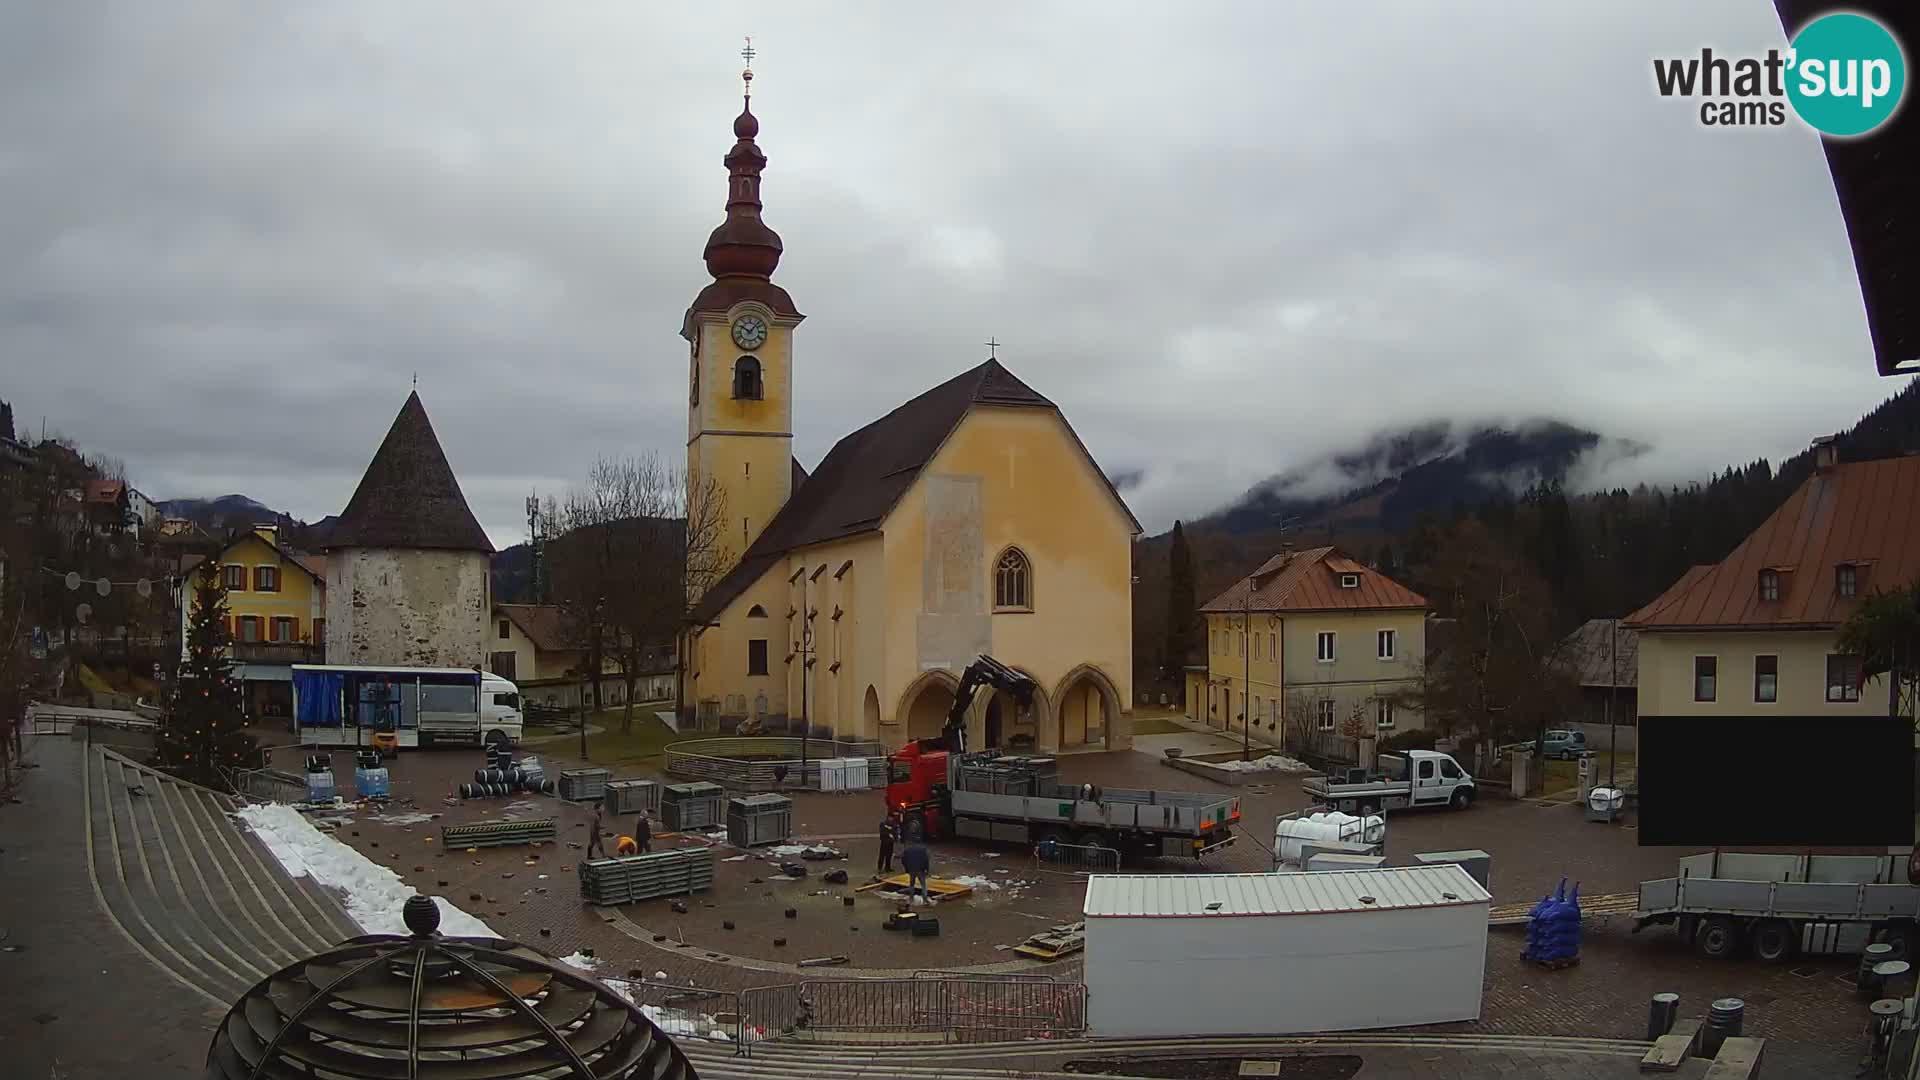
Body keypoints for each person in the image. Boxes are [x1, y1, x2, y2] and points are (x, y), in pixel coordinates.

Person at [901, 840, 931, 906]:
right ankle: (925, 899)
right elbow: (926, 860)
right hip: (921, 869)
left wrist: (906, 868)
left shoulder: (907, 850)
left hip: (911, 869)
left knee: (912, 884)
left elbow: (903, 859)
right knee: (923, 885)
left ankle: (911, 898)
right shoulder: (923, 850)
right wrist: (927, 869)